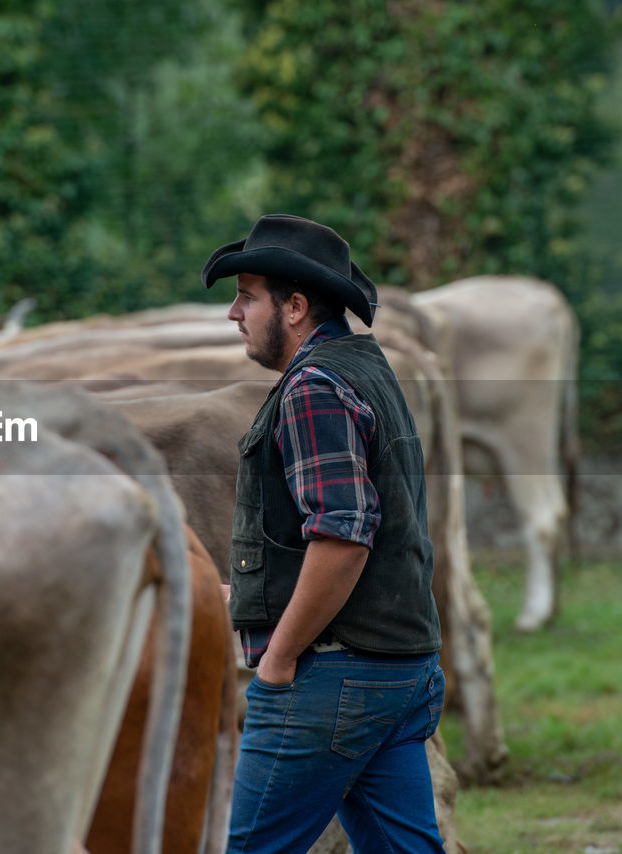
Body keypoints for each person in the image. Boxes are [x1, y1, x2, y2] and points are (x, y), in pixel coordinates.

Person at [202, 214, 446, 853]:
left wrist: (279, 660)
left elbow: (344, 536)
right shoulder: (366, 368)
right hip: (399, 668)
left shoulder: (314, 387)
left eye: (247, 296)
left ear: (296, 308)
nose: (234, 313)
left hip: (330, 678)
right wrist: (249, 597)